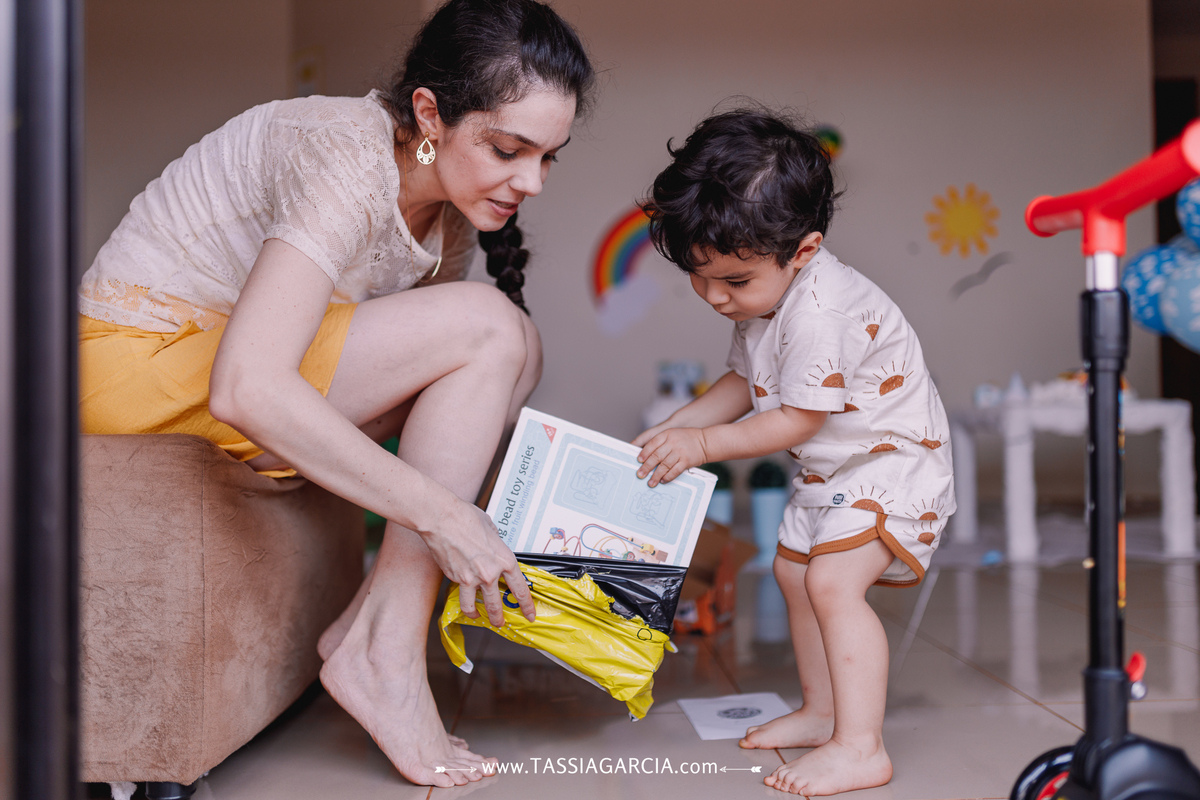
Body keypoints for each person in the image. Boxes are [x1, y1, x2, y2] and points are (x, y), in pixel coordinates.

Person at [77, 0, 594, 787]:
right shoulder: (343, 151)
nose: (532, 181)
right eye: (507, 149)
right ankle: (383, 654)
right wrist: (445, 515)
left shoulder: (449, 221)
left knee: (515, 351)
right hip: (132, 366)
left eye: (549, 157)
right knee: (491, 328)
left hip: (207, 372)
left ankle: (377, 638)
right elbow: (247, 386)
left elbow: (440, 400)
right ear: (430, 115)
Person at [633, 109, 955, 796]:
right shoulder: (766, 300)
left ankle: (861, 747)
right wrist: (674, 429)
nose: (716, 297)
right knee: (793, 572)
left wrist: (702, 445)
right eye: (700, 276)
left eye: (735, 281)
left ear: (803, 252)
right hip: (835, 469)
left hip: (891, 465)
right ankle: (823, 712)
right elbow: (742, 383)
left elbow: (798, 418)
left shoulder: (819, 311)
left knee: (833, 585)